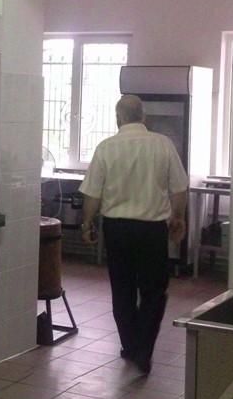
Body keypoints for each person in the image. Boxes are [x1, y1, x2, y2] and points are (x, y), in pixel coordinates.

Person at [78, 94, 188, 375]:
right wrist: (178, 218)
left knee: (122, 289)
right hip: (152, 230)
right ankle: (144, 349)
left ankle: (130, 345)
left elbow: (93, 193)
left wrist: (87, 223)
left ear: (118, 118)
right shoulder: (163, 145)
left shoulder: (106, 148)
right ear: (144, 116)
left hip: (117, 229)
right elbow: (179, 188)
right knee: (154, 291)